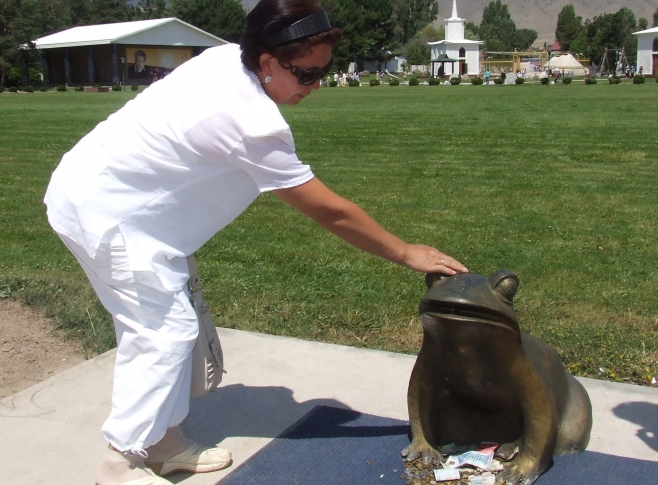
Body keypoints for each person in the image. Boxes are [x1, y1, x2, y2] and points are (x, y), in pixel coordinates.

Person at [43, 1, 467, 484]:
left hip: (122, 206)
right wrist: (406, 252)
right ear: (267, 62)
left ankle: (161, 441)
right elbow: (330, 210)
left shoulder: (227, 58)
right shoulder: (251, 122)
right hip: (108, 216)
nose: (317, 84)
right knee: (164, 332)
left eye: (324, 72)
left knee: (165, 328)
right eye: (307, 74)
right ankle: (120, 463)